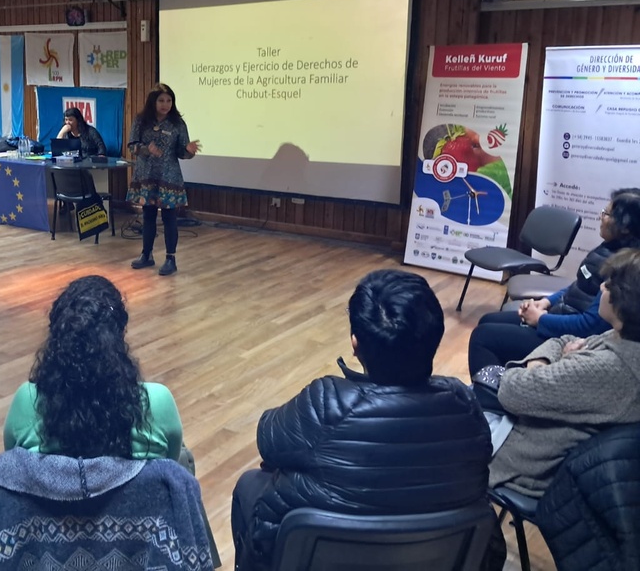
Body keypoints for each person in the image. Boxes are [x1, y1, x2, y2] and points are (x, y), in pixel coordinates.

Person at [231, 269, 493, 571]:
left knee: (249, 484)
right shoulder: (465, 403)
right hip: (434, 559)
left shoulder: (327, 403)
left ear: (355, 344)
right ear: (434, 338)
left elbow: (267, 439)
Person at [490, 248, 640, 498]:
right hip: (549, 431)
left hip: (527, 463)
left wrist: (541, 364)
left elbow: (511, 391)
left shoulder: (607, 367)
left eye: (609, 285)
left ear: (626, 301)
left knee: (445, 426)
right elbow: (565, 340)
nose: (601, 287)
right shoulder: (623, 338)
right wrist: (562, 360)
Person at [4, 275, 182, 459]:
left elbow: (14, 464)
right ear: (118, 336)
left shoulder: (27, 400)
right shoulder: (158, 402)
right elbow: (172, 465)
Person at [468, 188, 640, 374]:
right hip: (559, 315)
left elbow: (590, 326)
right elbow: (579, 286)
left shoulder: (624, 269)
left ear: (625, 227)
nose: (601, 217)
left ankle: (499, 390)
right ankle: (506, 379)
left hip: (568, 338)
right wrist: (546, 302)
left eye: (607, 214)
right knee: (487, 320)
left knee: (483, 337)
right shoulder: (608, 248)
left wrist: (540, 319)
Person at [126, 84, 201, 276]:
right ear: (153, 101)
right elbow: (132, 146)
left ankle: (170, 259)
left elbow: (182, 152)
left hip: (169, 176)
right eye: (161, 100)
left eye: (169, 101)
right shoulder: (141, 120)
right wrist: (145, 149)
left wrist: (189, 151)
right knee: (148, 216)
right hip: (146, 175)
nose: (165, 104)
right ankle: (146, 255)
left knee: (169, 218)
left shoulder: (177, 123)